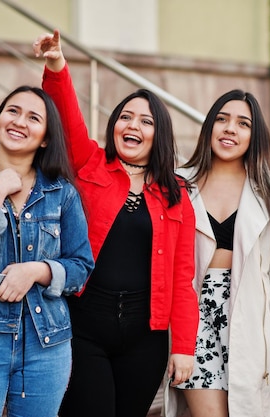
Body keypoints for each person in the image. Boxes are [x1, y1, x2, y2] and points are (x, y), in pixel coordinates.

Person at [32, 30, 199, 417]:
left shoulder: (176, 193)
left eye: (145, 121)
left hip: (146, 336)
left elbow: (182, 278)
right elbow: (68, 117)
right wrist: (57, 64)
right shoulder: (90, 164)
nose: (132, 126)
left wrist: (184, 347)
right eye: (125, 117)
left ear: (159, 135)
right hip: (84, 325)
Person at [0, 85, 95, 417]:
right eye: (12, 111)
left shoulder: (62, 193)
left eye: (33, 118)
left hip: (46, 343)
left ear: (46, 138)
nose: (19, 121)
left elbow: (81, 266)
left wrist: (38, 271)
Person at [166, 89, 270, 417]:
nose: (230, 128)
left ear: (253, 136)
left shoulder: (269, 192)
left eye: (243, 123)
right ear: (209, 129)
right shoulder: (178, 184)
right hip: (194, 323)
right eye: (222, 119)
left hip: (251, 325)